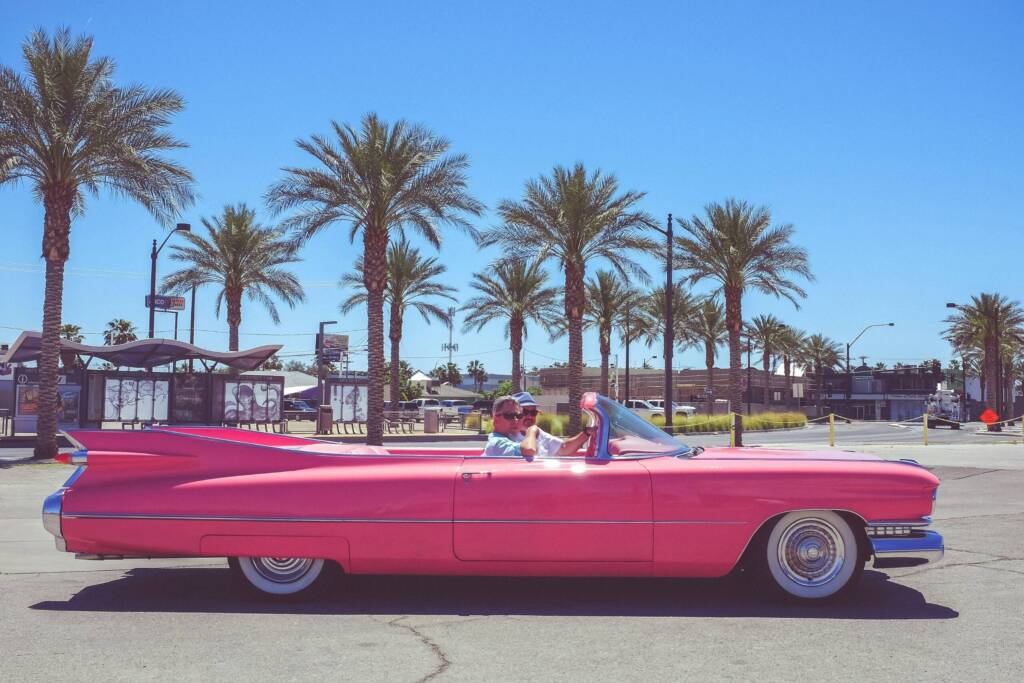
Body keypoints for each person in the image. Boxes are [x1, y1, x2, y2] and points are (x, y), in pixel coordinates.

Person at [513, 391, 594, 457]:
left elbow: (563, 448)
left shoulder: (538, 433)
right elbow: (529, 452)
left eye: (533, 412)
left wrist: (586, 433)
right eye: (525, 412)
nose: (530, 416)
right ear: (514, 414)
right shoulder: (507, 437)